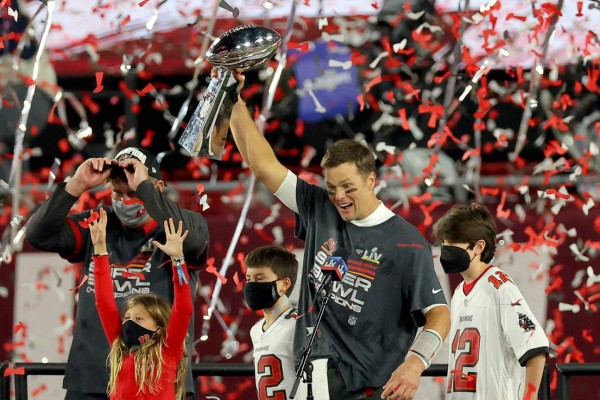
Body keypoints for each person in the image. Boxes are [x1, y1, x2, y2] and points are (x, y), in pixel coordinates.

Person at [227, 70, 450, 400]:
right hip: (313, 382)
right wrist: (233, 99)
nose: (340, 197)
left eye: (349, 187)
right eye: (332, 188)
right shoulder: (320, 207)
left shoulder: (406, 241)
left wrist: (415, 364)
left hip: (369, 389)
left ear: (372, 180)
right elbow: (262, 164)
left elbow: (439, 313)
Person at [26, 147, 209, 400]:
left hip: (157, 382)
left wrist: (145, 187)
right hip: (89, 381)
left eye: (133, 191)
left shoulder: (182, 227)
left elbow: (194, 244)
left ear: (157, 187)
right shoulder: (98, 223)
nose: (125, 200)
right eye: (117, 192)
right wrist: (76, 184)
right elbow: (38, 235)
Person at [433, 202, 549, 399]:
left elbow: (535, 345)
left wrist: (529, 396)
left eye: (452, 244)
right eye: (443, 243)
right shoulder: (460, 293)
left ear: (478, 246)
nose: (445, 250)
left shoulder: (500, 286)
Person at [90, 211, 192, 399]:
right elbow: (103, 303)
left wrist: (178, 260)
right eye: (127, 318)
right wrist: (99, 250)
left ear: (160, 329)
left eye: (139, 318)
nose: (129, 323)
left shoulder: (167, 351)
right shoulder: (120, 349)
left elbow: (184, 309)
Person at [243, 245, 307, 400]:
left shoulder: (299, 324)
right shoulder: (256, 330)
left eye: (259, 278)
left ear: (284, 284)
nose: (251, 285)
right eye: (248, 279)